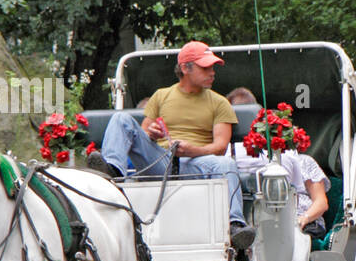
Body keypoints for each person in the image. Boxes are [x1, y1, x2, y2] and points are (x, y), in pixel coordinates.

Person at [89, 41, 255, 249]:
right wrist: (151, 133)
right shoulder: (161, 96)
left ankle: (235, 225)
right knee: (120, 119)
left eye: (212, 67)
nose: (212, 72)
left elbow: (220, 147)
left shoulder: (219, 102)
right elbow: (144, 131)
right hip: (161, 161)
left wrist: (193, 150)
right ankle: (111, 171)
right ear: (185, 68)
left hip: (195, 164)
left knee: (226, 164)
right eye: (206, 67)